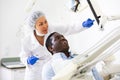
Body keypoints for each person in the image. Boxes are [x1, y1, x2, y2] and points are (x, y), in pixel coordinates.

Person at [19, 11, 94, 80]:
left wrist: (83, 25)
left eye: (45, 22)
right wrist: (28, 61)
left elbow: (69, 28)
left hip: (49, 69)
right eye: (41, 24)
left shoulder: (52, 29)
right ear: (34, 27)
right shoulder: (27, 41)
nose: (45, 26)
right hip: (34, 73)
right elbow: (23, 56)